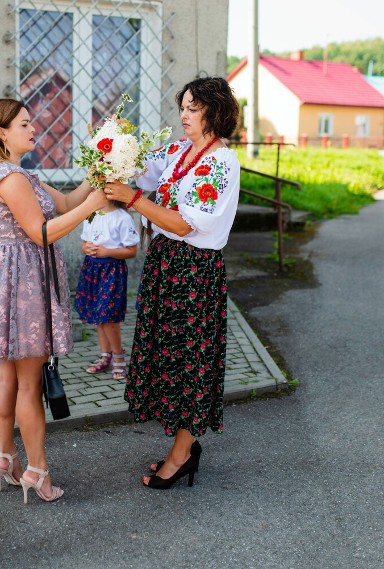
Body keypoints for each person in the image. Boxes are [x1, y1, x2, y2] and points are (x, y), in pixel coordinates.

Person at [104, 76, 241, 489]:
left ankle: (182, 453)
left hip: (194, 273)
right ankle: (183, 445)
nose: (184, 114)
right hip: (166, 267)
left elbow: (183, 223)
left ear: (215, 112)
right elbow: (143, 169)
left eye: (193, 107)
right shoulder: (180, 151)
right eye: (182, 106)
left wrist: (133, 200)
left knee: (189, 365)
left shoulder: (220, 162)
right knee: (169, 358)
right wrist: (112, 145)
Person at [0, 98, 107, 503]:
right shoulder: (11, 178)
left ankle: (6, 458)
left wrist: (100, 174)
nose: (34, 129)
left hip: (10, 276)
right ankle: (37, 471)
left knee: (8, 374)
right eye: (25, 124)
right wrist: (93, 207)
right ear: (2, 131)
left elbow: (66, 203)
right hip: (24, 280)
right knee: (28, 382)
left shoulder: (16, 173)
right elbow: (42, 231)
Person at [74, 200, 139, 380]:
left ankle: (119, 357)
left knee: (109, 316)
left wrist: (106, 252)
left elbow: (132, 251)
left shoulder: (122, 218)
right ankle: (105, 356)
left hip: (111, 270)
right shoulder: (92, 213)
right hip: (92, 269)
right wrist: (86, 247)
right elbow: (85, 243)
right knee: (99, 316)